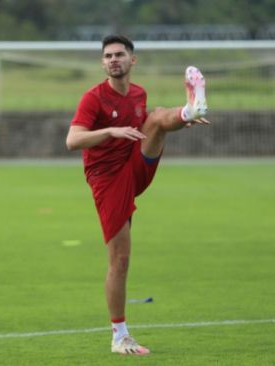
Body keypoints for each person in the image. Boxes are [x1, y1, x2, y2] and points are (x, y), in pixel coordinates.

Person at [66, 34, 208, 355]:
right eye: (107, 56)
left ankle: (190, 109)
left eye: (119, 54)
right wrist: (111, 131)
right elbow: (72, 140)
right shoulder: (93, 98)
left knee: (157, 117)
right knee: (121, 259)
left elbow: (147, 126)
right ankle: (119, 336)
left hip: (134, 167)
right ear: (102, 63)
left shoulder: (138, 93)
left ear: (133, 60)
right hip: (108, 180)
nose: (113, 60)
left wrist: (177, 122)